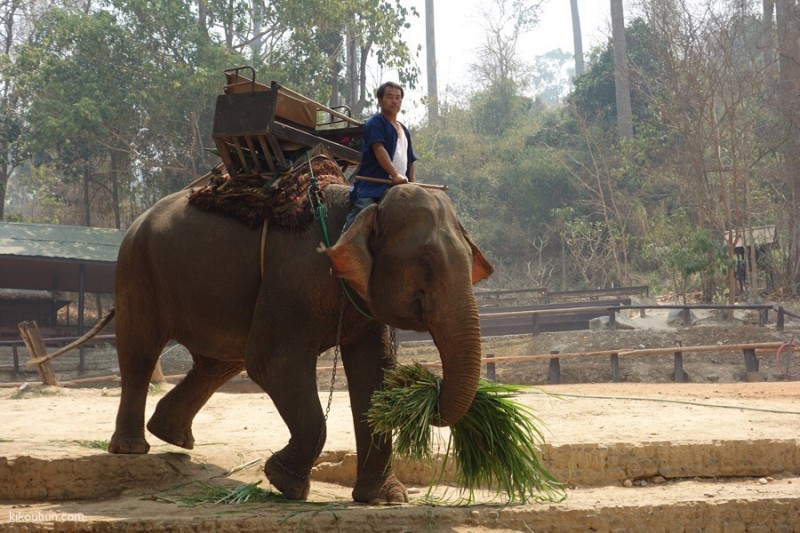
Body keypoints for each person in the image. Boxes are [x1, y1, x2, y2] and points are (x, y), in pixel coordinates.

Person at [343, 81, 417, 230]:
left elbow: (410, 160)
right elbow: (379, 149)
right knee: (363, 212)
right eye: (390, 97)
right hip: (375, 185)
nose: (394, 101)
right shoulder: (375, 123)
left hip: (400, 185)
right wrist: (395, 175)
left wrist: (412, 184)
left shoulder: (404, 129)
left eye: (398, 98)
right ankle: (343, 248)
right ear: (380, 100)